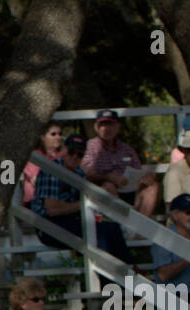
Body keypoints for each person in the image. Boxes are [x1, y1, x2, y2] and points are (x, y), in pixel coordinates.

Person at [30, 132, 131, 263]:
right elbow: (52, 209)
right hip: (48, 226)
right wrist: (86, 202)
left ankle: (128, 272)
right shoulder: (51, 170)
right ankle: (113, 279)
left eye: (80, 155)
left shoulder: (79, 173)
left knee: (111, 229)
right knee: (102, 234)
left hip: (73, 221)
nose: (75, 157)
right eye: (71, 152)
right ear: (64, 150)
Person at [82, 110, 159, 218]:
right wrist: (108, 176)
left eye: (111, 124)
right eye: (103, 125)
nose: (107, 129)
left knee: (152, 186)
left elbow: (138, 170)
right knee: (108, 187)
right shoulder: (91, 147)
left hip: (129, 189)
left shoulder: (127, 149)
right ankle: (124, 224)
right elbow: (86, 171)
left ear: (118, 127)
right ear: (96, 127)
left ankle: (140, 227)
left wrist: (147, 176)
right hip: (106, 189)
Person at [152, 193, 190, 286]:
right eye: (188, 212)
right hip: (174, 294)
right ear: (175, 215)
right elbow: (162, 275)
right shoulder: (164, 238)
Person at [22, 122, 63, 206]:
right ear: (43, 137)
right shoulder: (34, 157)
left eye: (60, 134)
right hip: (34, 203)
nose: (58, 137)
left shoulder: (63, 156)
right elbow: (35, 180)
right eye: (53, 134)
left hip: (58, 200)